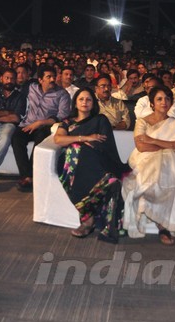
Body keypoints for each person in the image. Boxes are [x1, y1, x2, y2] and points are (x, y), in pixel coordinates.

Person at [122, 85, 175, 245]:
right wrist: (168, 145)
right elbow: (141, 146)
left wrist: (154, 140)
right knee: (166, 156)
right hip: (143, 159)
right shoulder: (142, 122)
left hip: (170, 162)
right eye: (159, 99)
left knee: (169, 158)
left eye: (167, 99)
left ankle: (163, 225)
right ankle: (160, 223)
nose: (164, 102)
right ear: (152, 103)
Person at [53, 87, 127, 243]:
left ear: (93, 103)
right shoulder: (67, 122)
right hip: (71, 163)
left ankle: (87, 220)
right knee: (75, 149)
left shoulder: (101, 119)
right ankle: (91, 212)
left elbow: (102, 145)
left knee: (79, 149)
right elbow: (58, 140)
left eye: (88, 99)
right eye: (81, 99)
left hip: (96, 160)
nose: (84, 102)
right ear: (75, 102)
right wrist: (83, 138)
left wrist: (80, 143)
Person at [11, 64, 70, 191]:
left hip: (45, 126)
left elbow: (62, 115)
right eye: (48, 77)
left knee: (40, 139)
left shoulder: (62, 94)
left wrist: (40, 122)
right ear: (40, 80)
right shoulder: (31, 88)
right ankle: (27, 175)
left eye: (54, 76)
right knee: (16, 138)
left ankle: (30, 177)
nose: (52, 79)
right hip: (27, 124)